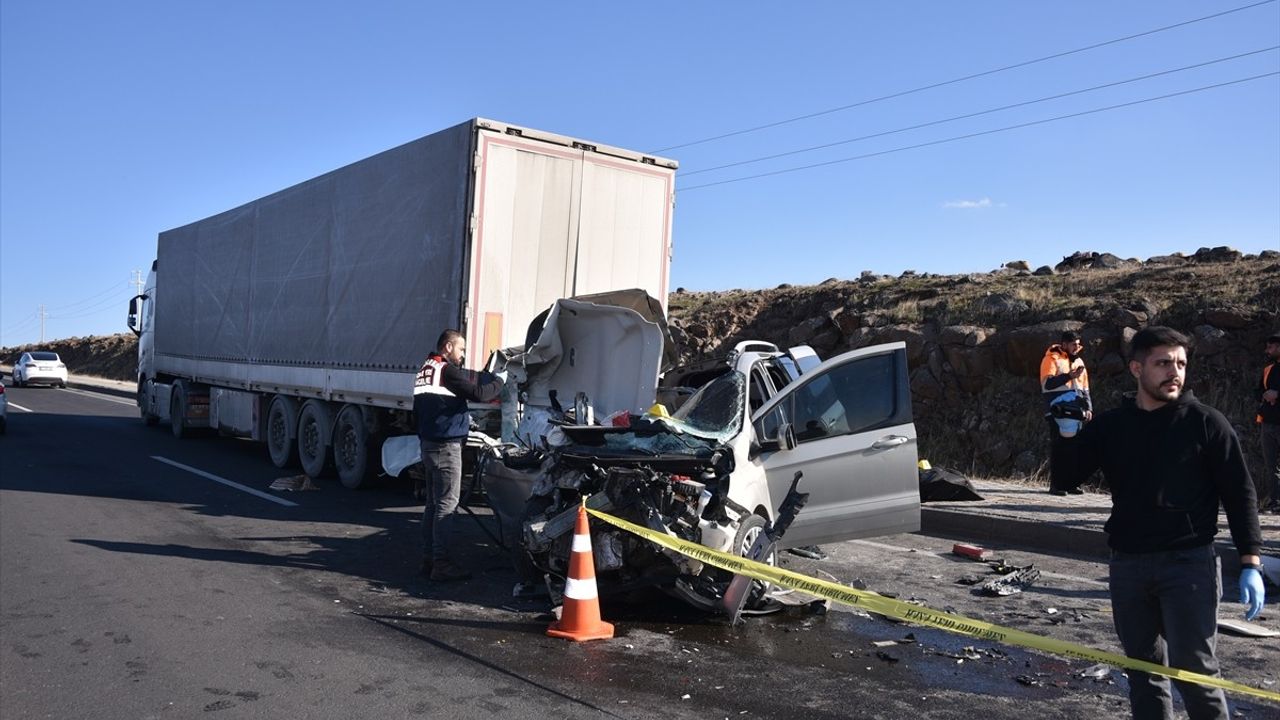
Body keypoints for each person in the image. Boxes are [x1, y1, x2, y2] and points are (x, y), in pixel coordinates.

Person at [1059, 326, 1265, 720]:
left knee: (1196, 673)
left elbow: (1241, 494)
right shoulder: (1112, 426)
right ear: (1137, 368)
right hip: (1127, 565)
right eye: (1164, 363)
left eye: (1181, 363)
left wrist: (1250, 561)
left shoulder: (1206, 423)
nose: (1175, 372)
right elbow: (1066, 479)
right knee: (1144, 671)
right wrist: (1066, 432)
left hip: (1188, 564)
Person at [414, 329, 503, 581]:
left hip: (429, 444)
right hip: (445, 447)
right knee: (447, 505)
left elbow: (419, 410)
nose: (463, 354)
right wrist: (501, 381)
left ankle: (428, 558)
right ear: (448, 347)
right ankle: (441, 564)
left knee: (432, 504)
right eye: (461, 349)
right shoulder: (446, 369)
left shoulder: (426, 369)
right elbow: (479, 394)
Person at [1040, 330, 1092, 495]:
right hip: (1056, 411)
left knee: (1074, 449)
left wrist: (1089, 408)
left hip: (1076, 412)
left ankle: (1070, 484)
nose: (1077, 347)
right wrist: (1068, 376)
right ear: (1064, 345)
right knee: (1059, 448)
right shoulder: (1051, 359)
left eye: (1078, 344)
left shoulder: (1079, 362)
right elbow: (1047, 384)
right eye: (1073, 344)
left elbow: (1085, 389)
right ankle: (1056, 485)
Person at [1257, 333, 1280, 513]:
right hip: (1268, 423)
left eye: (1271, 347)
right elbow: (1258, 391)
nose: (1267, 350)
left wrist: (1277, 395)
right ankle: (1275, 503)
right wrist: (1265, 395)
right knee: (1271, 466)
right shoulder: (1268, 369)